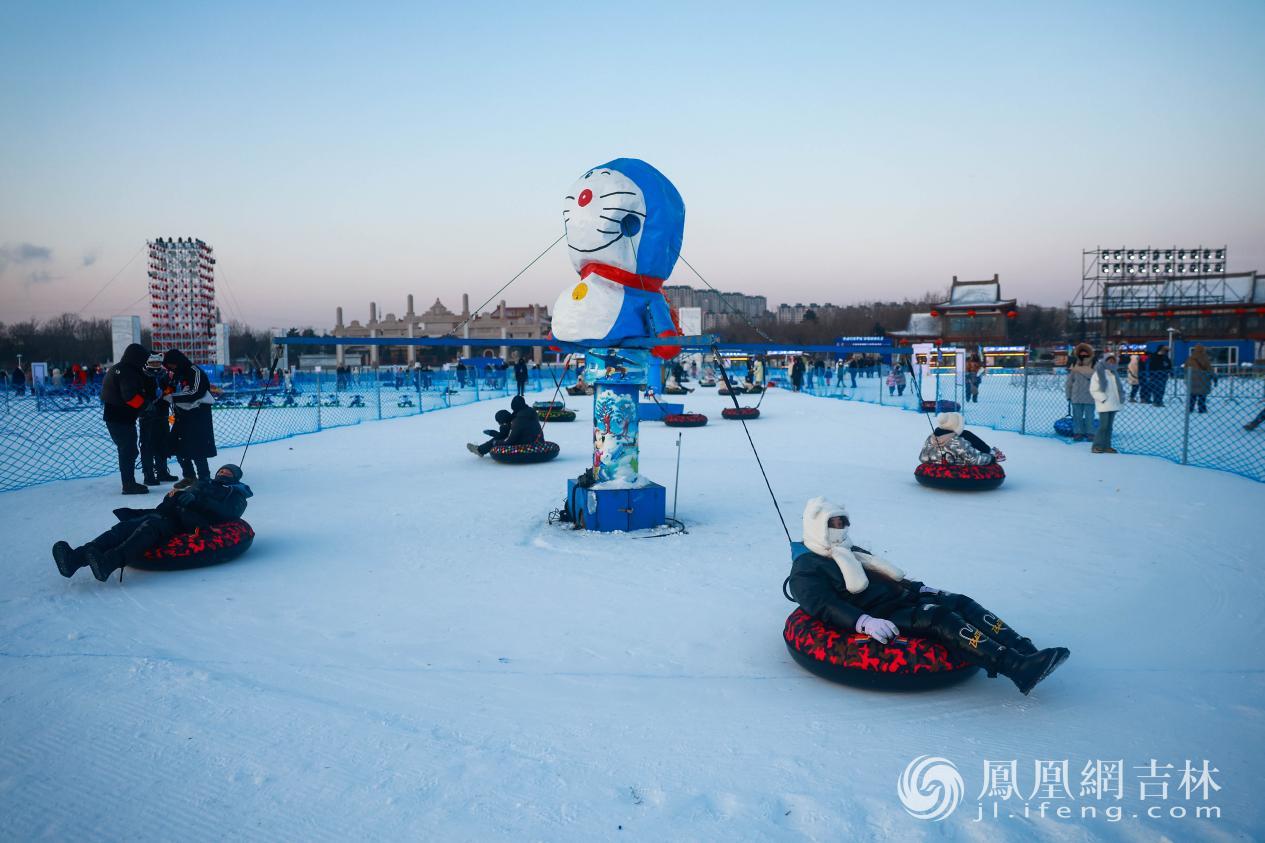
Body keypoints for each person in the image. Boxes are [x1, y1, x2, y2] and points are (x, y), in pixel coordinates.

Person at [787, 498, 1069, 695]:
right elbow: (823, 604)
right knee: (940, 618)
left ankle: (1023, 649)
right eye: (833, 523)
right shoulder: (807, 568)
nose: (841, 528)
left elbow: (886, 576)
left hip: (901, 597)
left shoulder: (852, 549)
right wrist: (863, 622)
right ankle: (1017, 667)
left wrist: (920, 588)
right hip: (880, 613)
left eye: (842, 521)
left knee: (960, 602)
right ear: (818, 527)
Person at [52, 464, 253, 582]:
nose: (224, 473)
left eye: (229, 473)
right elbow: (176, 500)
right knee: (124, 528)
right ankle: (74, 559)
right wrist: (175, 496)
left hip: (192, 523)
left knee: (150, 529)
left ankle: (108, 563)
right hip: (169, 514)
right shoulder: (202, 483)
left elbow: (228, 514)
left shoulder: (236, 494)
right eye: (222, 470)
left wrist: (198, 501)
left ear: (235, 478)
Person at [100, 343, 155, 494]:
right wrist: (146, 406)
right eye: (143, 359)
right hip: (120, 417)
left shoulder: (119, 368)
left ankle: (129, 482)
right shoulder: (127, 371)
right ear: (137, 358)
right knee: (128, 450)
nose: (145, 362)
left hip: (117, 416)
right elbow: (130, 396)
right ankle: (129, 484)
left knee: (128, 450)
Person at [162, 349, 216, 487]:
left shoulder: (195, 371)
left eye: (171, 365)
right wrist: (166, 390)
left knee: (198, 447)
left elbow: (196, 392)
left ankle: (204, 478)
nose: (171, 368)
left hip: (198, 415)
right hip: (182, 415)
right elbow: (170, 389)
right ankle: (189, 476)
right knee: (179, 446)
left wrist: (172, 397)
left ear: (177, 362)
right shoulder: (177, 374)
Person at [139, 353, 178, 485]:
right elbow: (139, 393)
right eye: (153, 362)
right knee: (148, 445)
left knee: (162, 443)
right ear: (148, 363)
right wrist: (149, 400)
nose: (155, 365)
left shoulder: (164, 375)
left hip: (163, 413)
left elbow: (169, 390)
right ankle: (148, 475)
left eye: (157, 362)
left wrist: (167, 391)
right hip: (147, 415)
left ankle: (162, 472)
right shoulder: (142, 375)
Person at [919, 412, 1005, 465]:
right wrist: (992, 458)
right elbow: (974, 460)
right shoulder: (957, 441)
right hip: (953, 469)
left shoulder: (931, 437)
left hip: (935, 467)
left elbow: (922, 458)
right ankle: (991, 452)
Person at [1088, 351, 1124, 454]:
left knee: (1109, 427)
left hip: (1114, 403)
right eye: (1109, 361)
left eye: (1113, 361)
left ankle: (1107, 446)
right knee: (1103, 426)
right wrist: (1103, 398)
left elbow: (1117, 389)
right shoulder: (1099, 373)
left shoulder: (1114, 374)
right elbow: (1093, 390)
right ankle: (1096, 446)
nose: (1111, 363)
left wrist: (1121, 398)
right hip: (1104, 404)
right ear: (1105, 361)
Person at [1065, 343, 1096, 441]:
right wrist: (1068, 395)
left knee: (1089, 417)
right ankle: (1078, 433)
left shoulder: (1095, 364)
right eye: (1081, 353)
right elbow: (1069, 382)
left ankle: (1090, 433)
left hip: (1090, 395)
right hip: (1076, 395)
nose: (1083, 355)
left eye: (1085, 353)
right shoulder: (1074, 365)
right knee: (1077, 417)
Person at [1183, 344, 1213, 414]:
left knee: (1192, 395)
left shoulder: (1190, 358)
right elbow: (1209, 368)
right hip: (1203, 379)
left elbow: (1185, 368)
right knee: (1202, 395)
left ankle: (1190, 408)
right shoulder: (1204, 358)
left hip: (1192, 380)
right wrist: (1212, 375)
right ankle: (1202, 409)